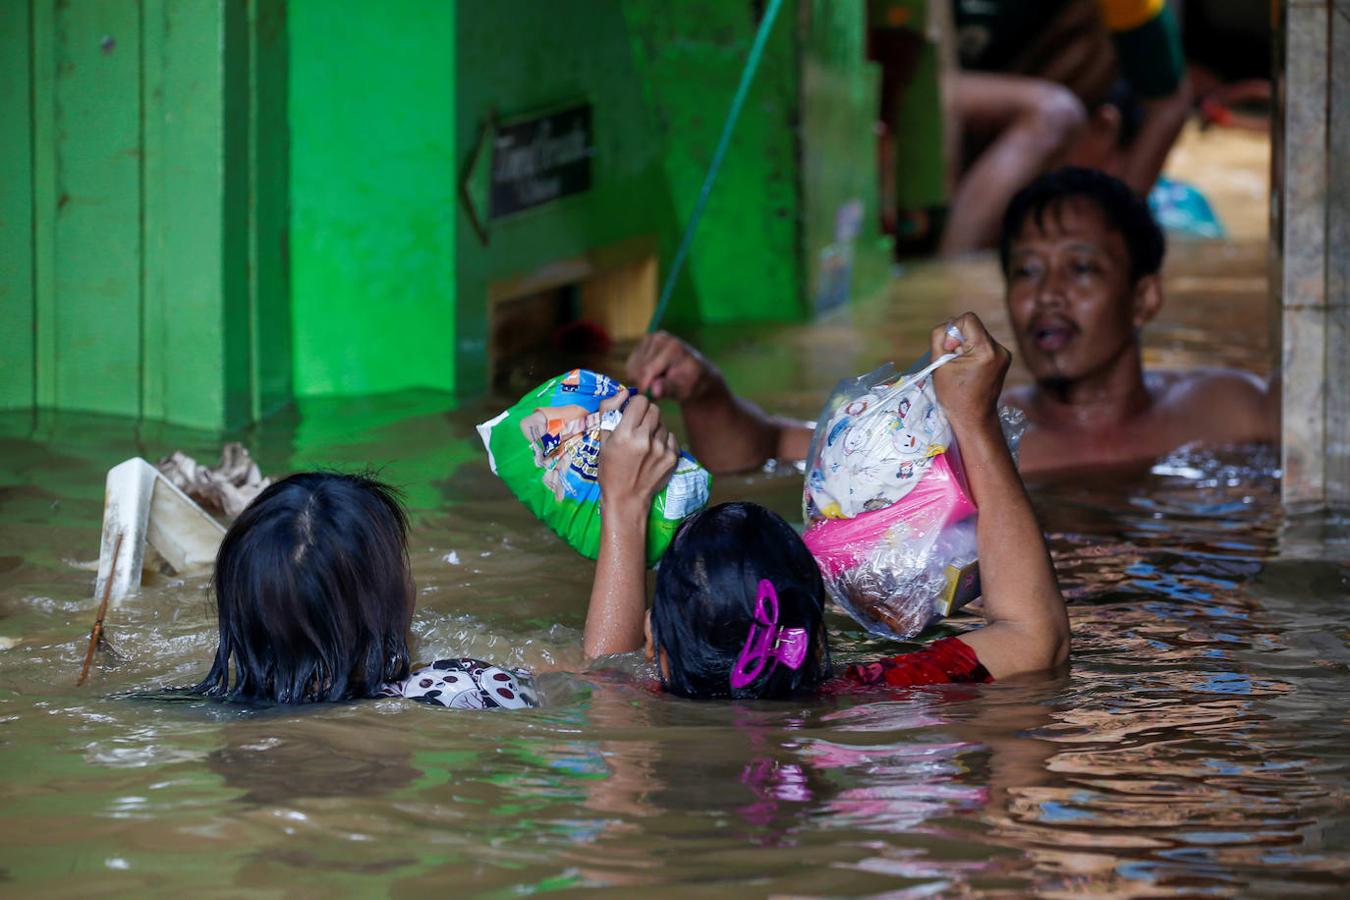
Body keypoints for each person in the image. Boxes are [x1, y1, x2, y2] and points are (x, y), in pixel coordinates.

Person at [626, 167, 1277, 476]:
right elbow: (762, 450)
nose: (1047, 295)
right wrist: (706, 391)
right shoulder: (967, 429)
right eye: (1025, 271)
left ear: (1145, 298)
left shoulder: (1229, 410)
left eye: (1080, 270)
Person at [586, 314, 1069, 698]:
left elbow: (603, 672)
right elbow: (1033, 633)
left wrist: (624, 508)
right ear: (817, 638)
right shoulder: (873, 694)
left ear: (653, 642)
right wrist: (974, 418)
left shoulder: (631, 701)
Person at [192, 471, 537, 709]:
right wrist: (596, 494)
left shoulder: (212, 702)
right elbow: (588, 683)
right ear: (387, 601)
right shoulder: (463, 689)